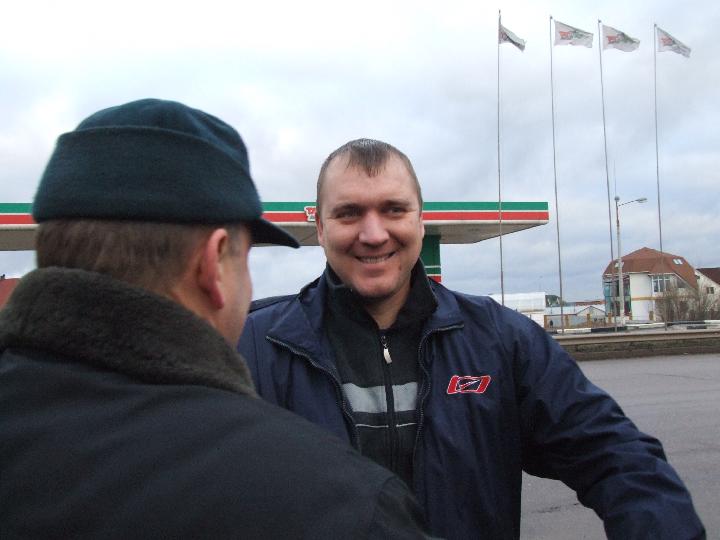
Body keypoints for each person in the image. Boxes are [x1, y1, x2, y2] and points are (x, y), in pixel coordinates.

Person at [0, 104, 433, 539]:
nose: (373, 234)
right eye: (246, 256)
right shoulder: (346, 505)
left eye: (394, 210)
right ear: (214, 262)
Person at [238, 138, 706, 540]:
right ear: (319, 227)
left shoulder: (502, 341)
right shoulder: (254, 347)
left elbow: (616, 457)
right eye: (349, 213)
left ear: (420, 220)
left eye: (394, 210)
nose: (374, 233)